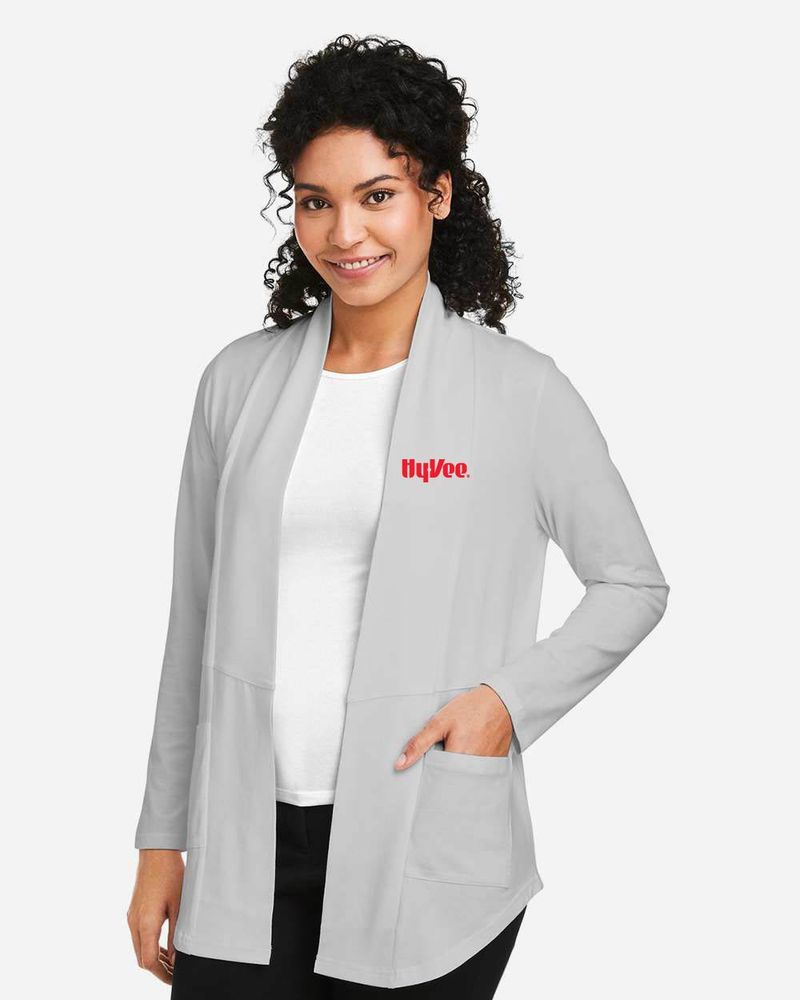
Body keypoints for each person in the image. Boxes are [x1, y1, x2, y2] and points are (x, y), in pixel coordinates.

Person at [127, 34, 669, 998]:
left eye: (377, 195)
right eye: (315, 201)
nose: (346, 234)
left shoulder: (520, 393)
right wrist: (161, 840)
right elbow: (192, 624)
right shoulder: (237, 384)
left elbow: (631, 583)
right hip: (243, 840)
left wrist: (505, 703)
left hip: (426, 840)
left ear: (438, 195)